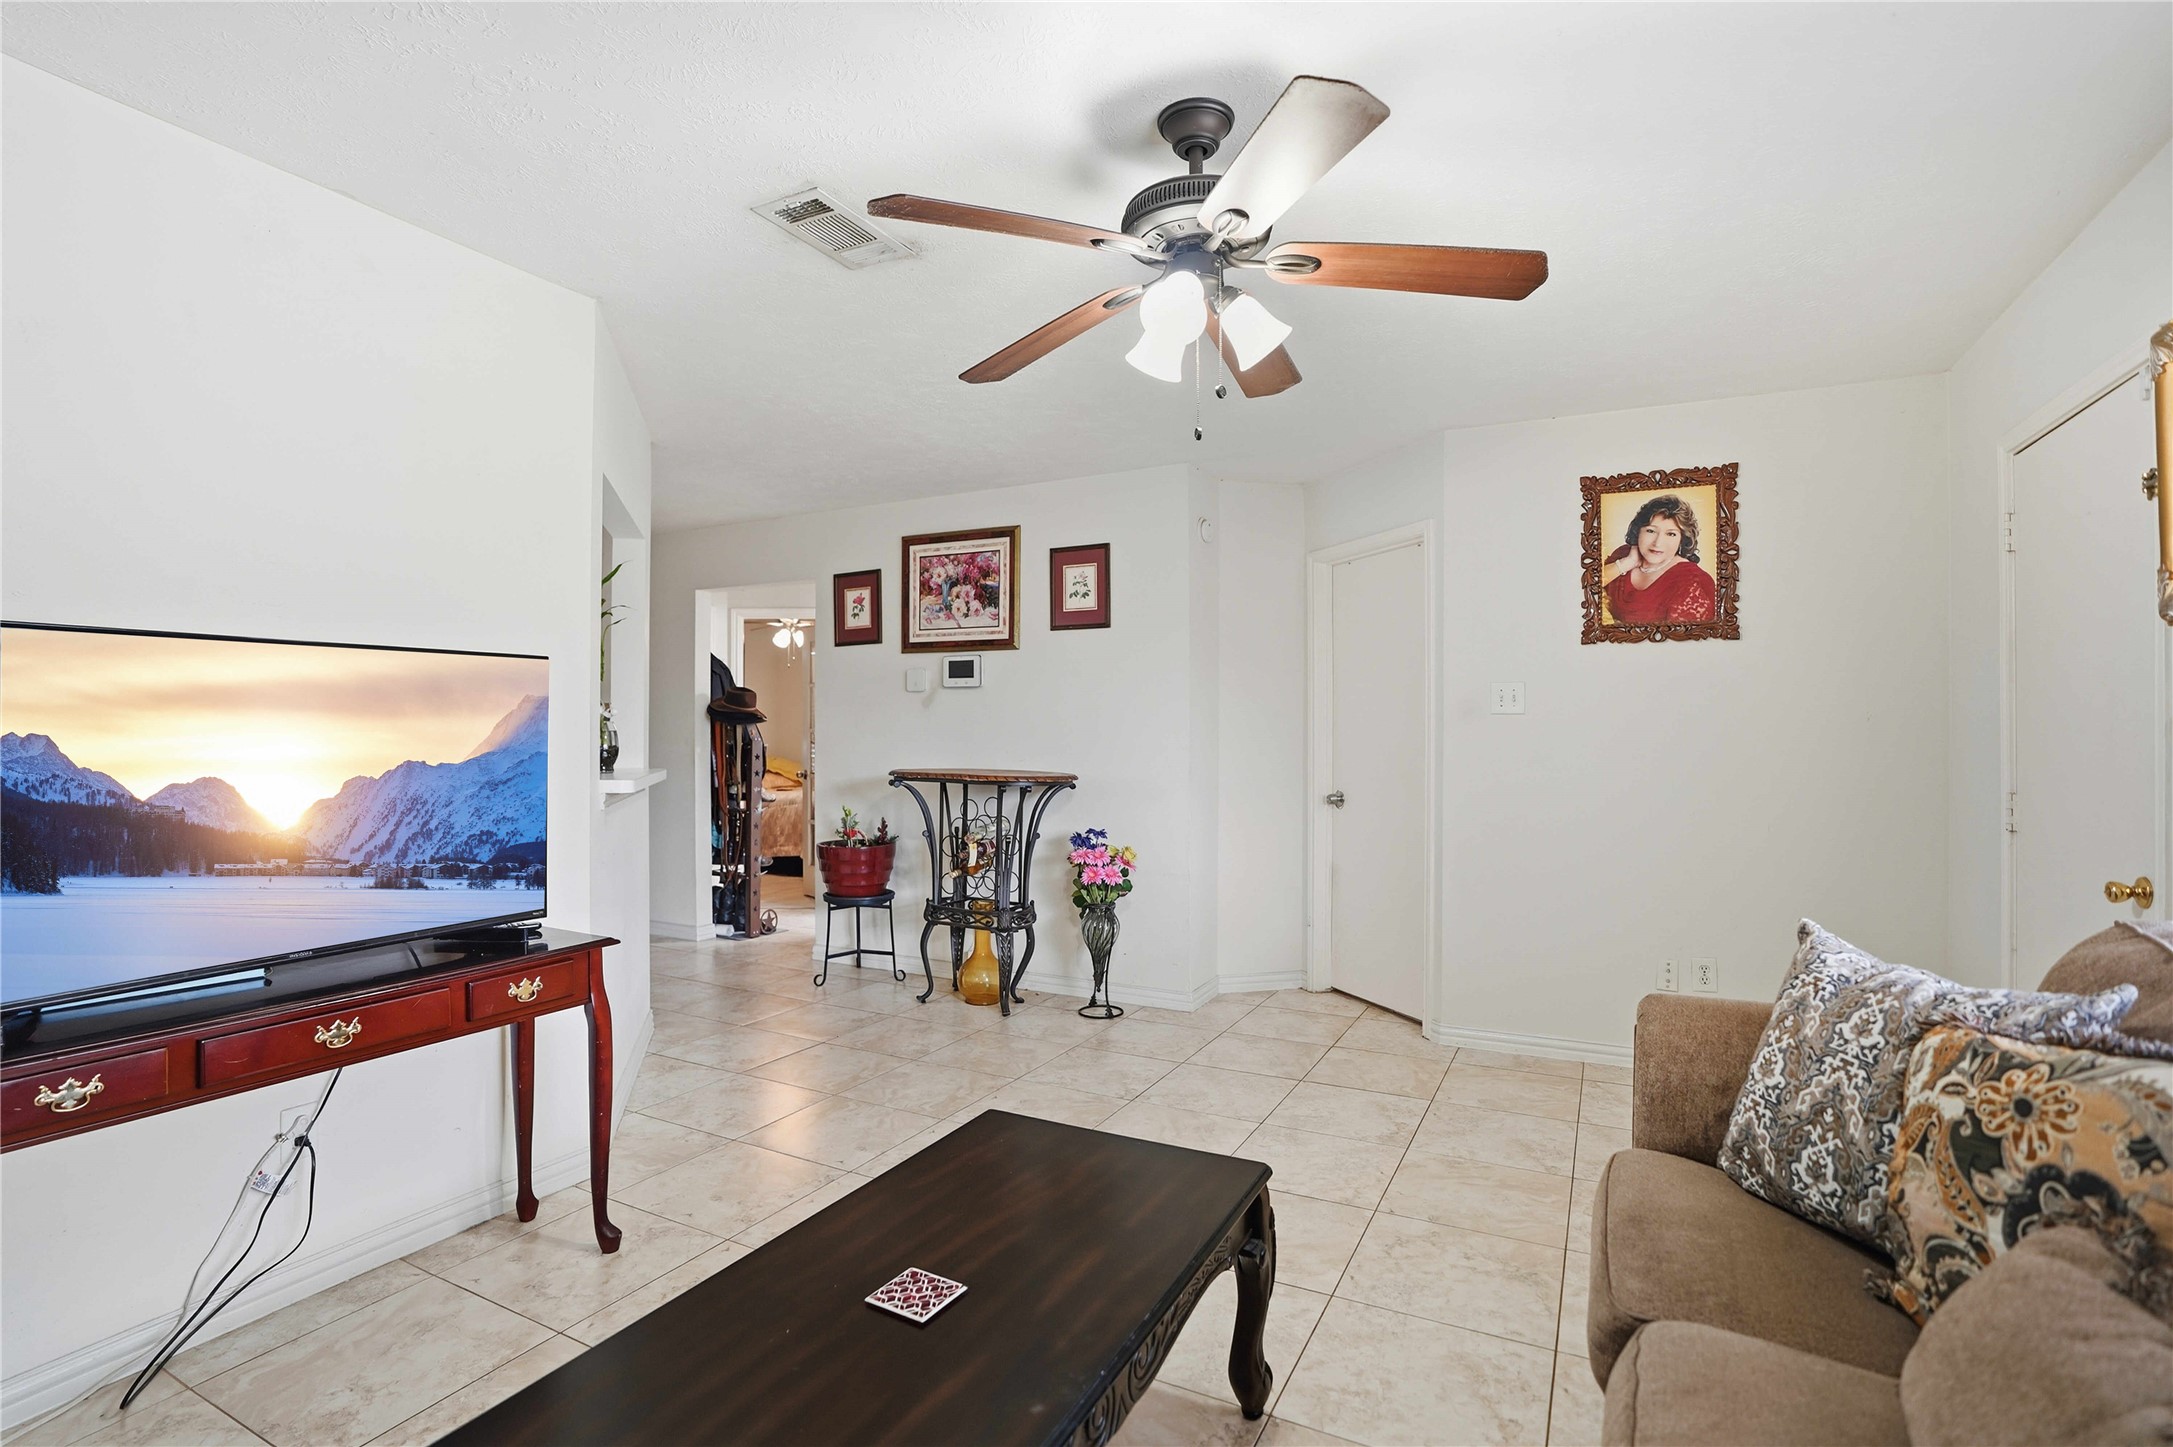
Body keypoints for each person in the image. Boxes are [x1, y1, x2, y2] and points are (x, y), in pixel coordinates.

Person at [1603, 494, 1716, 624]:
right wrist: (1627, 563)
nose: (1658, 543)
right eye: (1651, 531)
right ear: (1638, 531)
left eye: (1671, 534)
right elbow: (1583, 589)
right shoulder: (1622, 555)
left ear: (1682, 539)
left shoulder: (1693, 582)